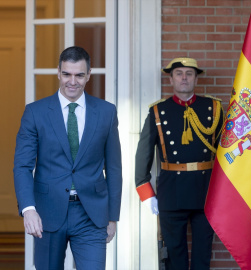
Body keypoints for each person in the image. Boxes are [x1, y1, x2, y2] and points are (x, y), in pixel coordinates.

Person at [13, 46, 122, 270]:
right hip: (47, 213)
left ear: (88, 75)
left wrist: (113, 217)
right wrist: (28, 209)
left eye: (79, 75)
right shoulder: (35, 112)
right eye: (67, 74)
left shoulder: (106, 112)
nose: (72, 81)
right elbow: (23, 166)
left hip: (91, 214)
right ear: (58, 73)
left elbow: (113, 168)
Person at [135, 57, 224, 269]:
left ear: (195, 79)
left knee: (203, 254)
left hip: (206, 190)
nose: (184, 78)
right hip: (171, 191)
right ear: (171, 79)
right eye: (179, 74)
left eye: (189, 74)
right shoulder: (158, 111)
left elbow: (225, 151)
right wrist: (146, 193)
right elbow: (143, 155)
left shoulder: (213, 108)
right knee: (175, 256)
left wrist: (225, 191)